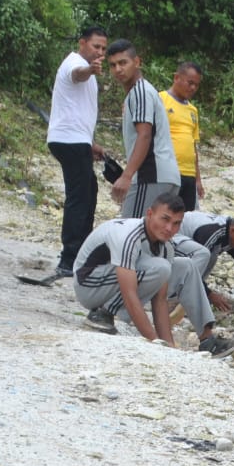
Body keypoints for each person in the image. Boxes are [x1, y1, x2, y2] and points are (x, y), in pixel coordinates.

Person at [72, 191, 184, 345]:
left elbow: (160, 300)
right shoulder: (129, 235)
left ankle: (109, 312)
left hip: (107, 282)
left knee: (162, 269)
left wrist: (168, 345)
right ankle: (103, 313)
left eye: (176, 223)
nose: (169, 228)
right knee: (160, 268)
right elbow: (129, 292)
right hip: (88, 285)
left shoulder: (166, 247)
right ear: (150, 214)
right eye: (165, 219)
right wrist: (153, 340)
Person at [46, 25, 108, 278]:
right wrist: (90, 69)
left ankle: (79, 252)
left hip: (75, 139)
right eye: (96, 47)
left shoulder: (87, 71)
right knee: (79, 197)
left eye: (103, 48)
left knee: (88, 191)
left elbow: (76, 108)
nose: (99, 52)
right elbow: (77, 74)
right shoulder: (74, 63)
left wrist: (89, 142)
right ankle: (69, 258)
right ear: (82, 43)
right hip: (68, 140)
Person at [105, 40, 181, 219]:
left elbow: (145, 134)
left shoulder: (140, 92)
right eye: (113, 65)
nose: (118, 69)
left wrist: (127, 176)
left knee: (133, 231)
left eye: (123, 62)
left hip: (150, 175)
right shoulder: (142, 92)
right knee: (154, 236)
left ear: (137, 62)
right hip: (164, 176)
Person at [168, 213, 234, 357]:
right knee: (205, 255)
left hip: (183, 251)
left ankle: (205, 338)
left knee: (209, 255)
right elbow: (192, 270)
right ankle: (206, 339)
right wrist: (210, 294)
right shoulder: (211, 232)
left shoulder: (232, 234)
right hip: (170, 244)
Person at [160, 61, 204, 212]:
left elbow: (193, 146)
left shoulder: (193, 110)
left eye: (196, 85)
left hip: (189, 174)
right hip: (168, 171)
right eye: (190, 83)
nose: (192, 88)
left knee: (186, 217)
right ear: (177, 77)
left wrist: (198, 179)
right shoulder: (161, 100)